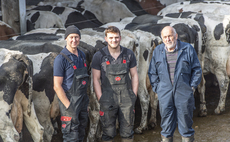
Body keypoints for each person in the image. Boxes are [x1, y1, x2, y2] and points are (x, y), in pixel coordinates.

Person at [148, 26, 202, 142]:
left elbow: (197, 70)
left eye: (170, 36)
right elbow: (152, 72)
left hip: (183, 92)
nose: (168, 39)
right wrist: (158, 89)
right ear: (162, 39)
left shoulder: (187, 49)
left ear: (176, 36)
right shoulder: (158, 51)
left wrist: (191, 87)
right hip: (165, 93)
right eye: (165, 37)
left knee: (186, 126)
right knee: (166, 127)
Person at [91, 26, 138, 142]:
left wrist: (134, 96)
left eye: (116, 37)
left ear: (120, 38)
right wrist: (100, 98)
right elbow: (96, 79)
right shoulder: (99, 56)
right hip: (107, 99)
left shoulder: (129, 54)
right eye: (111, 38)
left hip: (127, 98)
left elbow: (134, 75)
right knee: (108, 133)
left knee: (127, 132)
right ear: (106, 38)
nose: (114, 40)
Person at [53, 25, 89, 142]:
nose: (74, 40)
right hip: (70, 101)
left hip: (82, 101)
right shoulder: (61, 59)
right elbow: (57, 86)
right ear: (66, 38)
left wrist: (85, 103)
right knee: (71, 136)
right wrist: (69, 106)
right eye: (71, 37)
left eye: (77, 37)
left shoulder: (82, 55)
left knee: (81, 132)